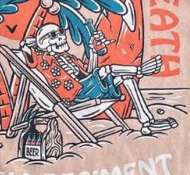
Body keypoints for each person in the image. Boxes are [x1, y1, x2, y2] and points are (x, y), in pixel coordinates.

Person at [20, 23, 177, 134]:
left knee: (126, 78)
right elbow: (26, 50)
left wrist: (93, 50)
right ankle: (140, 70)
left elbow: (89, 73)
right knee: (107, 70)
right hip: (76, 96)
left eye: (61, 32)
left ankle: (148, 123)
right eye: (54, 35)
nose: (62, 37)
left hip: (87, 88)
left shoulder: (69, 58)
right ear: (44, 43)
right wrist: (32, 44)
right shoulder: (43, 60)